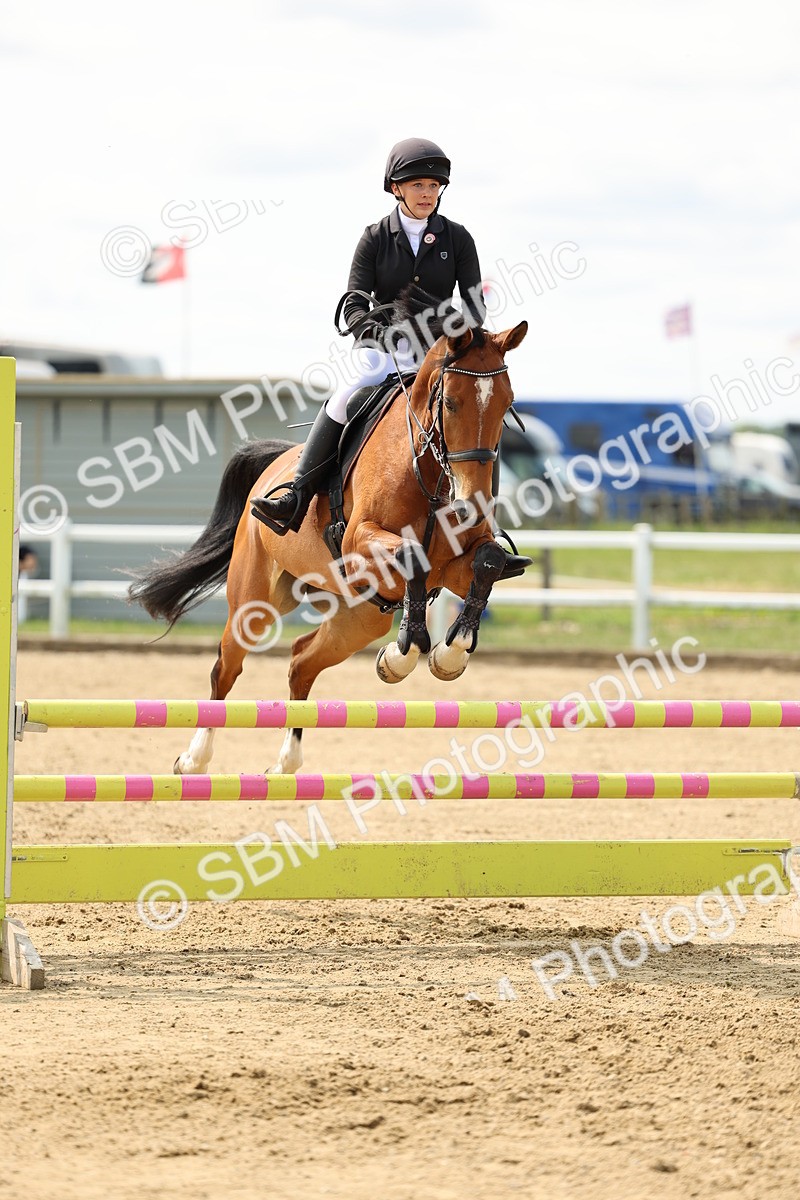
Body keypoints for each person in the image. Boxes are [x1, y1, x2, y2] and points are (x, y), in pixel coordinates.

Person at [251, 138, 530, 578]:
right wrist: (375, 330)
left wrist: (438, 328)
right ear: (396, 189)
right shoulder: (375, 238)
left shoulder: (457, 239)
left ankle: (486, 530)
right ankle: (296, 495)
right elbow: (354, 302)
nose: (426, 193)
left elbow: (475, 309)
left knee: (474, 416)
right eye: (417, 184)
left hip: (438, 353)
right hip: (382, 353)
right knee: (343, 400)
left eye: (434, 185)